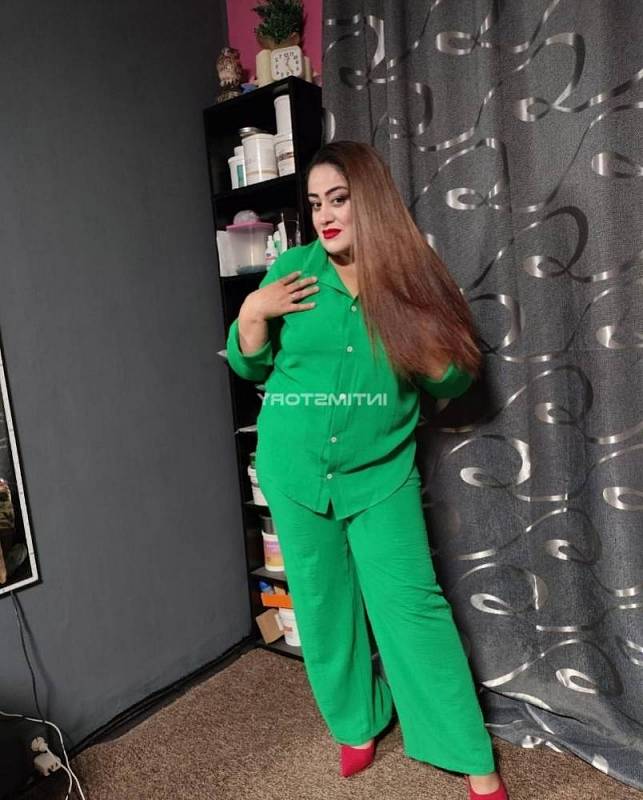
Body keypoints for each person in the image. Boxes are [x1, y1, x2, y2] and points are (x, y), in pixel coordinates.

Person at [225, 141, 509, 800]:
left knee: (411, 609)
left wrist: (425, 346)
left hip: (381, 474)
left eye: (339, 199)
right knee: (323, 606)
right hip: (294, 469)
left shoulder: (413, 279)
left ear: (370, 201)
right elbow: (250, 365)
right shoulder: (292, 271)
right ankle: (357, 722)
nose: (324, 215)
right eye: (315, 203)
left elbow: (455, 379)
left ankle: (470, 755)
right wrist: (252, 313)